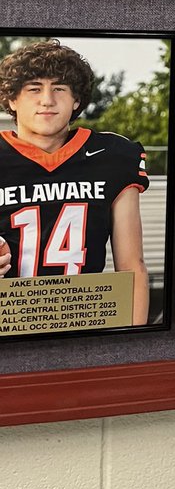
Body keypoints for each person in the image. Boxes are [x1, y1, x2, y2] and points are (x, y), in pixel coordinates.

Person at [0, 40, 149, 324]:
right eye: (34, 88)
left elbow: (131, 266)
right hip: (9, 321)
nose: (47, 100)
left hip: (84, 317)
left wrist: (134, 343)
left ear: (76, 99)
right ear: (12, 99)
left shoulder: (111, 156)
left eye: (59, 88)